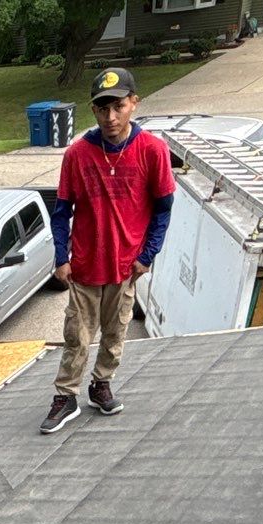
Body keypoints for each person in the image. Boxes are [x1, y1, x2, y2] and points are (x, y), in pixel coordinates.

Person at [41, 67, 174, 436]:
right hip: (84, 266)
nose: (111, 117)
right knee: (76, 337)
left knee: (116, 334)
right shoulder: (78, 155)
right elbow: (61, 211)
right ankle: (65, 396)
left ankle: (101, 385)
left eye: (118, 106)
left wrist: (148, 255)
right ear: (94, 110)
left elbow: (163, 210)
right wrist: (61, 257)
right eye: (102, 109)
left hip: (125, 267)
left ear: (134, 102)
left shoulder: (153, 151)